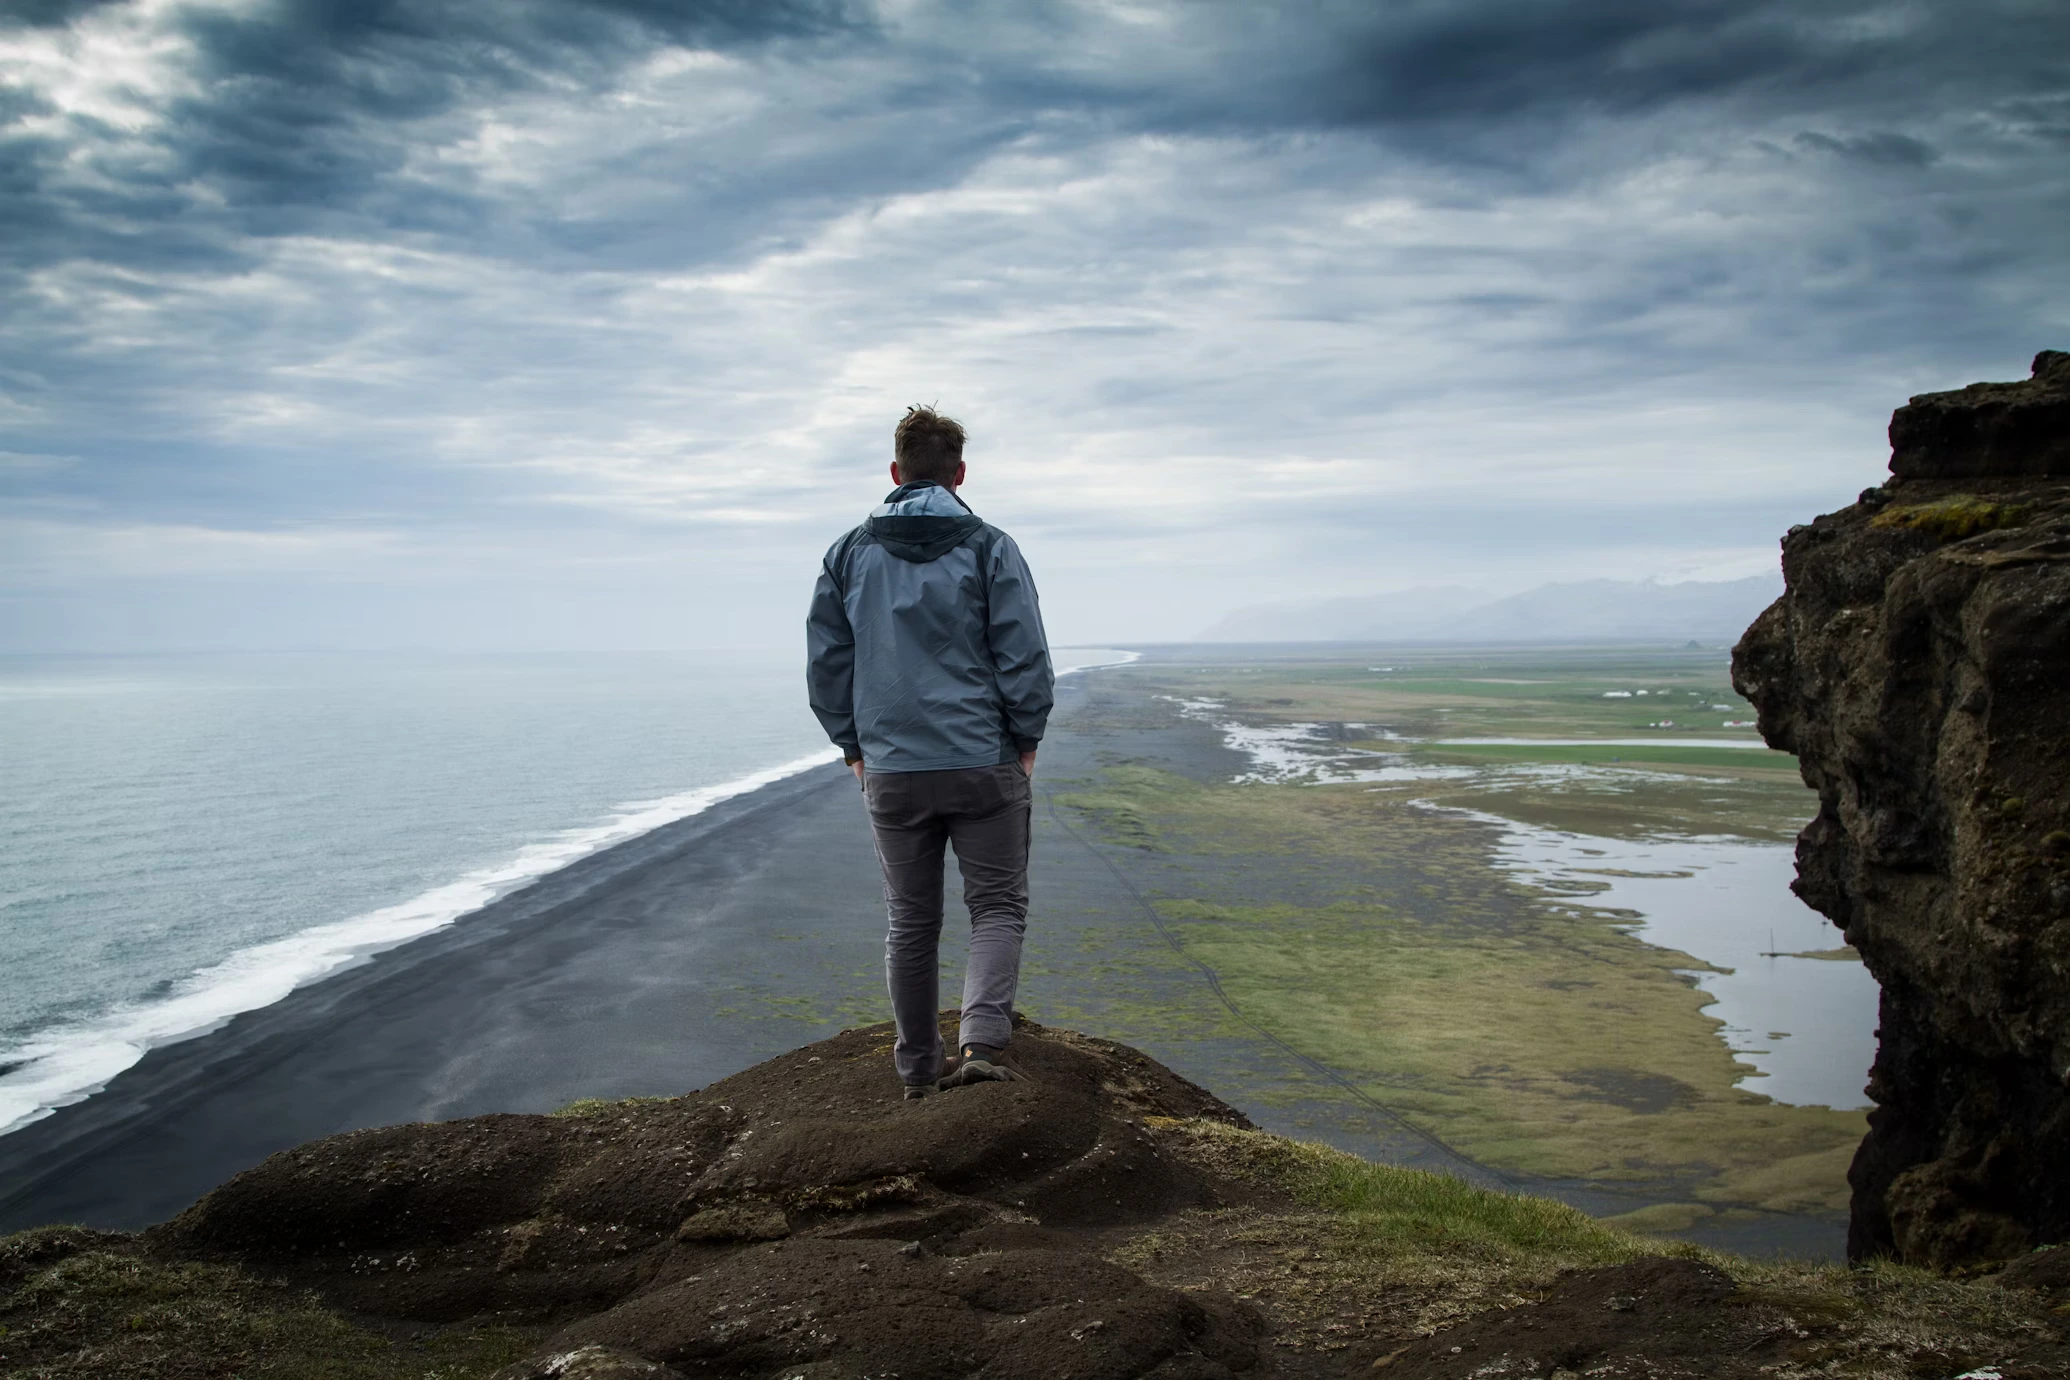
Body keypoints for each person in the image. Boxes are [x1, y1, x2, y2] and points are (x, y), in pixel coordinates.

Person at [806, 406, 1055, 1100]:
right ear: (960, 474)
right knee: (998, 907)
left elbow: (827, 662)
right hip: (983, 760)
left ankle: (918, 1075)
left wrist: (852, 745)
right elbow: (1024, 652)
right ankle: (980, 1044)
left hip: (891, 769)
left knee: (911, 922)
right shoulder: (991, 547)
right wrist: (1025, 737)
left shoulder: (848, 552)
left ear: (894, 473)